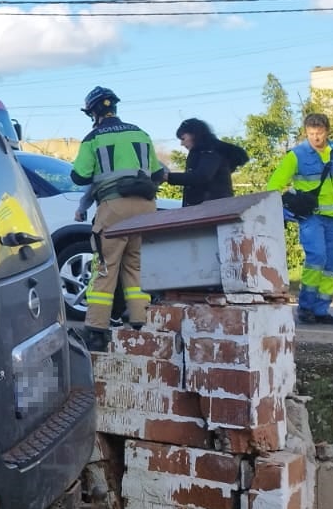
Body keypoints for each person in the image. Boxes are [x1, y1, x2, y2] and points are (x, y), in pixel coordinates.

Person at [70, 86, 166, 352]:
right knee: (135, 267)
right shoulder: (140, 133)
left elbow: (79, 176)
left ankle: (96, 332)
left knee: (104, 267)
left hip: (114, 208)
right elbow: (158, 173)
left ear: (93, 112)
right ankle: (139, 325)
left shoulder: (93, 138)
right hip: (146, 208)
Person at [268, 112, 333, 326]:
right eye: (311, 134)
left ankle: (322, 310)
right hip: (311, 217)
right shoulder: (297, 155)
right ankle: (306, 308)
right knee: (316, 260)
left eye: (319, 133)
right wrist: (280, 209)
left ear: (327, 132)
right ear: (306, 132)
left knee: (331, 265)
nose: (315, 138)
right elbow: (274, 184)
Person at [167, 118, 250, 207]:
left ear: (194, 135)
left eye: (183, 138)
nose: (182, 144)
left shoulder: (210, 152)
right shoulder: (204, 152)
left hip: (211, 209)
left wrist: (168, 177)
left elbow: (201, 176)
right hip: (211, 208)